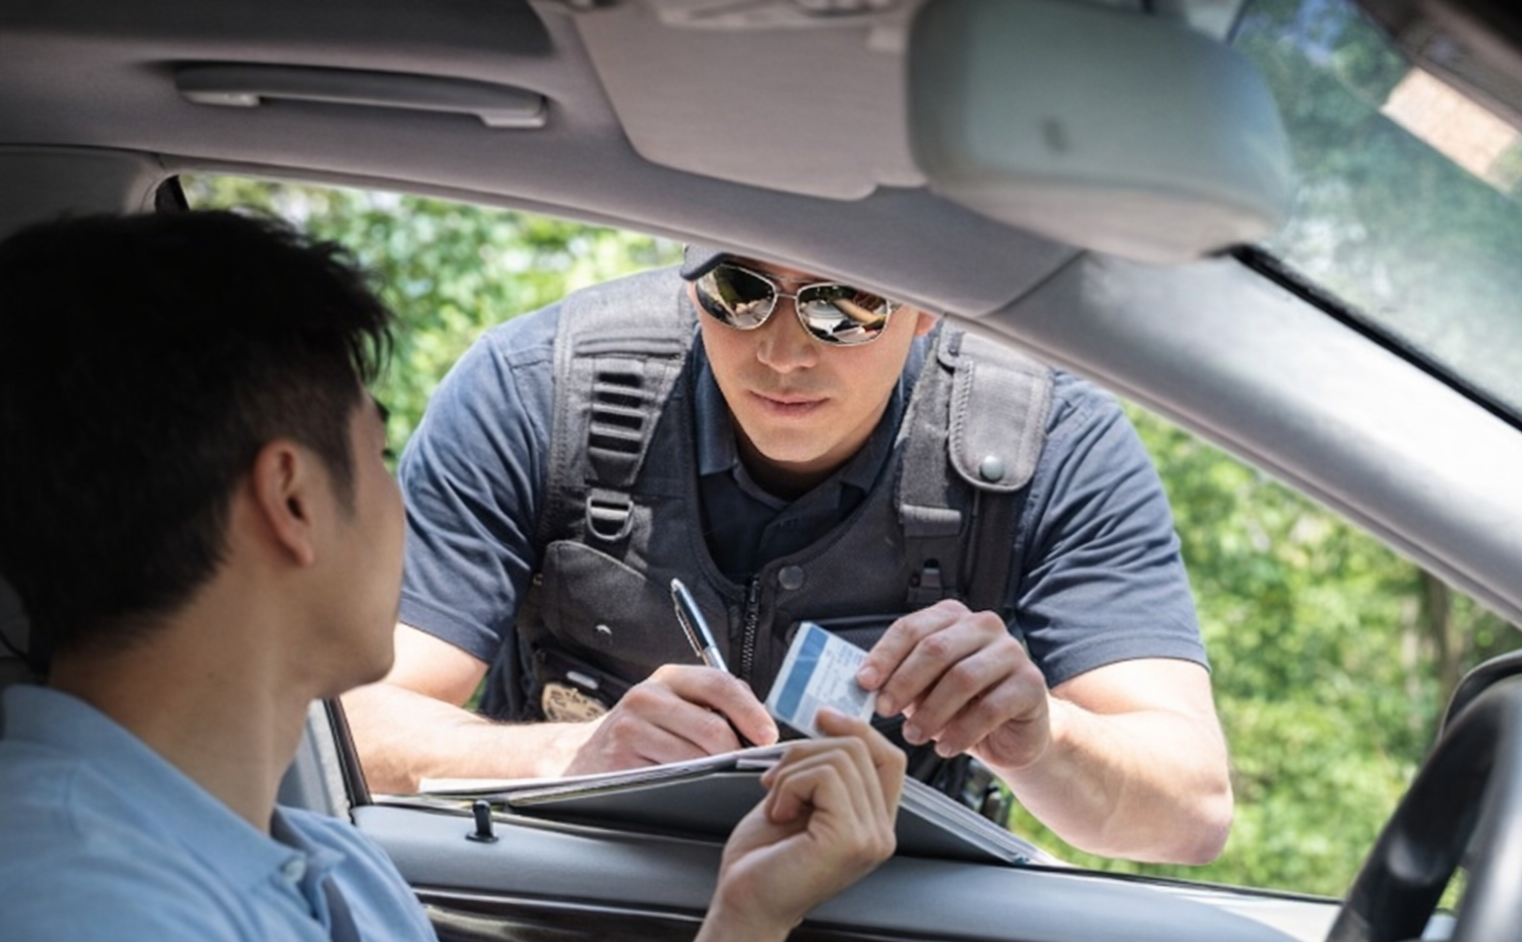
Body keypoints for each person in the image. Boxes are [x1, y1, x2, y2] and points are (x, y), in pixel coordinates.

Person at [0, 212, 903, 942]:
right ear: (293, 498)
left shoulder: (328, 869)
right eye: (378, 454)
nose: (403, 508)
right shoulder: (81, 923)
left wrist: (748, 917)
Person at [344, 247, 1234, 865]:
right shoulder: (538, 390)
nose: (781, 352)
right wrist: (570, 758)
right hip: (573, 895)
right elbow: (340, 721)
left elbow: (1188, 812)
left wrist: (1041, 738)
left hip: (886, 923)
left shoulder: (1050, 442)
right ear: (690, 277)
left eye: (843, 304)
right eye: (740, 289)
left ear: (928, 304)